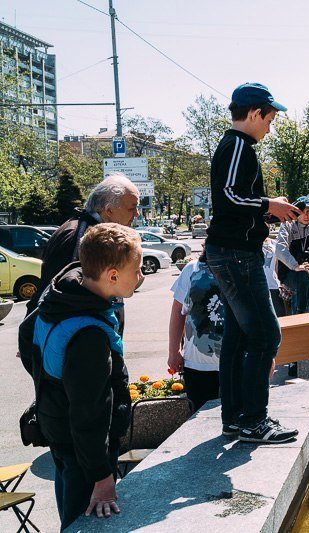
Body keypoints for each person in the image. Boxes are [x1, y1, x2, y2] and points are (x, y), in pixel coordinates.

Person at [23, 223, 142, 529]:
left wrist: (51, 385)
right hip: (84, 454)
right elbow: (88, 413)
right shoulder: (89, 335)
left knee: (71, 515)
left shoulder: (62, 295)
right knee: (85, 523)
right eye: (138, 269)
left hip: (59, 431)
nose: (141, 276)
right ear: (112, 275)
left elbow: (27, 336)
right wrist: (101, 477)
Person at [204, 82, 300, 444]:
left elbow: (234, 202)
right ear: (255, 113)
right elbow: (229, 196)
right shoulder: (237, 146)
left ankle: (235, 419)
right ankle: (253, 421)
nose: (270, 128)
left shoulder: (236, 147)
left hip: (230, 251)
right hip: (235, 256)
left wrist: (267, 215)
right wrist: (267, 205)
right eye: (270, 119)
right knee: (266, 334)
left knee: (239, 336)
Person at [26, 174, 140, 315]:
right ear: (109, 210)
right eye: (132, 208)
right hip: (80, 332)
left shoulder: (86, 230)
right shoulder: (82, 236)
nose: (137, 214)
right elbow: (60, 295)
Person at [168, 249, 223, 411]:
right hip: (197, 365)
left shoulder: (247, 267)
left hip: (239, 363)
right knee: (198, 425)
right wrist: (174, 351)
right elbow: (178, 311)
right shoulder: (193, 269)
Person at [276, 196, 309, 315]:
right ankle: (299, 316)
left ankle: (303, 317)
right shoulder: (287, 226)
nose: (306, 215)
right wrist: (296, 266)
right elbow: (280, 248)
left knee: (306, 279)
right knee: (301, 277)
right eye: (302, 212)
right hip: (289, 273)